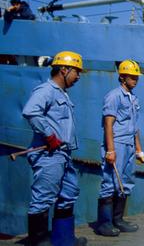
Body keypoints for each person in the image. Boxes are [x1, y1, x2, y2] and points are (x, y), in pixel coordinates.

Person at [21, 51, 87, 246]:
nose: (79, 76)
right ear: (64, 69)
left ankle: (64, 239)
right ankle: (39, 242)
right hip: (48, 154)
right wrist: (49, 135)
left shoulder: (62, 94)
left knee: (69, 193)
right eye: (77, 71)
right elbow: (30, 112)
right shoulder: (46, 90)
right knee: (43, 197)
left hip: (63, 154)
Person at [95, 60, 144, 237]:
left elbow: (135, 126)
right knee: (110, 182)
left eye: (136, 77)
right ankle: (104, 223)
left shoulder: (133, 98)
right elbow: (108, 124)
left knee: (126, 181)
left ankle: (118, 219)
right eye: (132, 77)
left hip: (130, 144)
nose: (136, 80)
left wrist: (139, 149)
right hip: (117, 144)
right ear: (122, 77)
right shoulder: (114, 96)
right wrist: (110, 149)